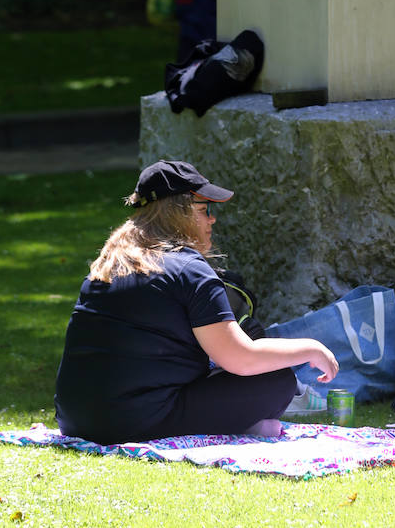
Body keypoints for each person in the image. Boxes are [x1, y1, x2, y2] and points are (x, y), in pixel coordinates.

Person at [54, 160, 338, 445]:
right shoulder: (189, 268)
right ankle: (242, 427)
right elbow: (240, 358)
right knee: (277, 381)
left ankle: (241, 425)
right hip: (133, 421)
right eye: (204, 210)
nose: (212, 220)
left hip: (75, 418)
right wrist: (311, 349)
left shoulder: (107, 265)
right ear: (180, 214)